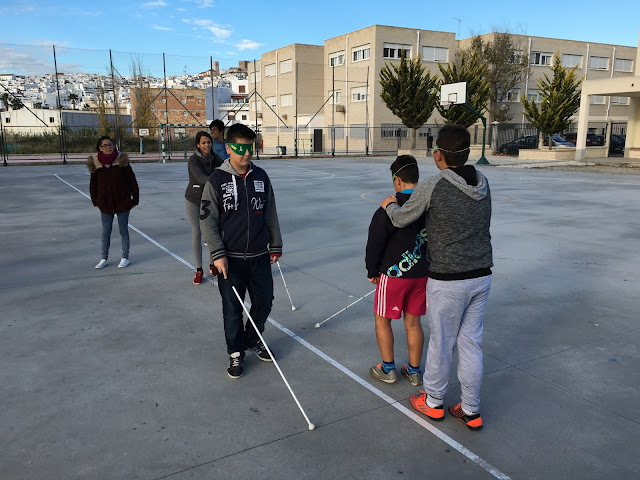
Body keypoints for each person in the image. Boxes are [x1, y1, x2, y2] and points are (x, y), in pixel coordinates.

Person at [381, 124, 493, 430]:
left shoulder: (434, 185)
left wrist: (390, 204)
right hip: (481, 276)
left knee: (442, 342)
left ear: (438, 155)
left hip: (448, 279)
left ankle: (432, 401)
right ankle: (470, 409)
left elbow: (403, 218)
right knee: (470, 343)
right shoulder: (483, 182)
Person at [200, 123, 282, 379]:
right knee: (233, 309)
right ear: (228, 148)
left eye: (250, 148)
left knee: (264, 303)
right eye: (240, 149)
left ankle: (253, 339)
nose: (246, 154)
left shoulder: (261, 177)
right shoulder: (217, 180)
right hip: (230, 260)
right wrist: (218, 253)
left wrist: (275, 244)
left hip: (259, 256)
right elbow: (207, 219)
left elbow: (270, 213)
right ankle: (235, 352)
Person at [366, 155, 429, 387]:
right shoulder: (426, 206)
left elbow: (375, 242)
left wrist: (372, 270)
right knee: (413, 323)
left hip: (393, 276)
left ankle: (388, 368)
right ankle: (414, 371)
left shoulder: (387, 208)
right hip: (421, 274)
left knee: (382, 320)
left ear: (398, 180)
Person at [88, 135, 139, 269]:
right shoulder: (96, 162)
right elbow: (93, 184)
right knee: (106, 231)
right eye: (105, 145)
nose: (108, 147)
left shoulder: (121, 160)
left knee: (123, 230)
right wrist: (95, 200)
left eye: (110, 144)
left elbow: (132, 181)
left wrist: (135, 199)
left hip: (122, 201)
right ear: (100, 148)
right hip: (105, 202)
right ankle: (104, 258)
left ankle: (125, 257)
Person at [185, 131, 224, 284]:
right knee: (197, 232)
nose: (207, 145)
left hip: (210, 200)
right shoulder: (193, 160)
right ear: (197, 145)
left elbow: (225, 168)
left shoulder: (215, 157)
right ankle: (199, 269)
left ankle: (212, 264)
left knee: (211, 232)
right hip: (194, 200)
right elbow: (201, 178)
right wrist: (216, 177)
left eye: (209, 142)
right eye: (203, 143)